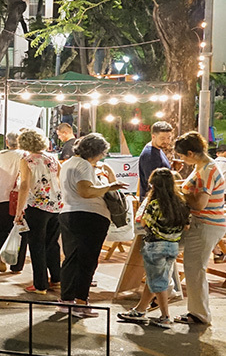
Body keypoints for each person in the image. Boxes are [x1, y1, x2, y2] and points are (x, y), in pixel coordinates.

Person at [58, 133, 123, 316]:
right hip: (88, 216)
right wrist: (110, 186)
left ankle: (66, 300)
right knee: (87, 261)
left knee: (71, 259)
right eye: (102, 153)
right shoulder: (84, 165)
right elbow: (86, 191)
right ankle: (81, 302)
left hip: (69, 213)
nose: (102, 156)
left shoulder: (68, 163)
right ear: (95, 151)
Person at [118, 168, 188, 328]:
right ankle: (140, 310)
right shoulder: (181, 203)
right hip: (173, 245)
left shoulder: (155, 204)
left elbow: (143, 222)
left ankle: (165, 316)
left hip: (155, 245)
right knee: (155, 278)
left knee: (159, 282)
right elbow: (187, 225)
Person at [173, 131, 226, 325]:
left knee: (195, 269)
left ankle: (199, 314)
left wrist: (177, 193)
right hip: (202, 223)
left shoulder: (207, 171)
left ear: (190, 153)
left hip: (206, 224)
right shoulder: (202, 167)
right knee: (169, 253)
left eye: (182, 156)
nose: (182, 160)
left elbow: (200, 203)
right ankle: (171, 292)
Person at [14, 129, 63, 295]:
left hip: (37, 206)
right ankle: (56, 278)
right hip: (55, 205)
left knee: (37, 245)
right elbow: (60, 178)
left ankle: (40, 284)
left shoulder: (27, 160)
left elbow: (24, 185)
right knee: (52, 243)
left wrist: (19, 210)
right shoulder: (52, 158)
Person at [0, 132, 27, 273]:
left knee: (1, 230)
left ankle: (2, 255)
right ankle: (17, 265)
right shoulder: (25, 155)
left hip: (2, 197)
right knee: (20, 230)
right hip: (21, 198)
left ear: (7, 142)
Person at [138, 121, 174, 197]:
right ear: (153, 136)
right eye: (162, 138)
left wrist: (173, 168)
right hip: (156, 200)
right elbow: (155, 184)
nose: (166, 141)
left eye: (169, 138)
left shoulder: (158, 148)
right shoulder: (150, 155)